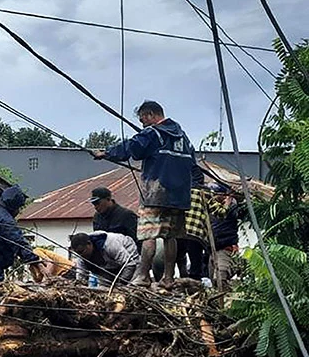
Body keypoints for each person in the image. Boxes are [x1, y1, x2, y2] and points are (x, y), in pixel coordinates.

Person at [93, 101, 195, 287]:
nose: (143, 125)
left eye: (142, 121)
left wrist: (106, 153)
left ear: (150, 115)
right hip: (179, 197)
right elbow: (193, 166)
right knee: (170, 236)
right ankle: (168, 278)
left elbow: (132, 147)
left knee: (149, 234)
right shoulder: (184, 139)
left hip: (156, 194)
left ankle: (143, 276)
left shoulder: (153, 133)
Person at [69, 232, 139, 287]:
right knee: (104, 290)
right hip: (107, 268)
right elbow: (81, 277)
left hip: (129, 259)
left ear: (89, 244)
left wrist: (120, 283)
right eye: (78, 253)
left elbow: (130, 264)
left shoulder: (110, 244)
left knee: (130, 286)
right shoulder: (81, 257)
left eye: (82, 251)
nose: (81, 255)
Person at [207, 183, 241, 290]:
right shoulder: (211, 207)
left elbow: (237, 210)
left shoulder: (231, 207)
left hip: (225, 247)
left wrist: (231, 198)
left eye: (216, 193)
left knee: (221, 279)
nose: (213, 196)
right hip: (212, 249)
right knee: (213, 282)